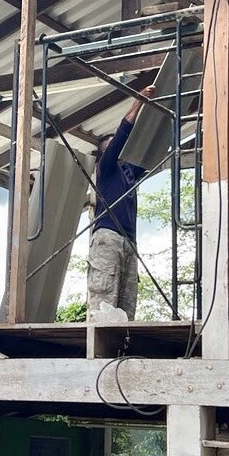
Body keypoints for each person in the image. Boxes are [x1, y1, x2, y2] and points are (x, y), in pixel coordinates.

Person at [88, 87, 152, 318]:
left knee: (126, 304)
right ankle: (99, 337)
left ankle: (123, 338)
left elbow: (152, 149)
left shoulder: (129, 172)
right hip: (109, 236)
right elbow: (123, 134)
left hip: (128, 240)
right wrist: (138, 102)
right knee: (104, 301)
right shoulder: (106, 168)